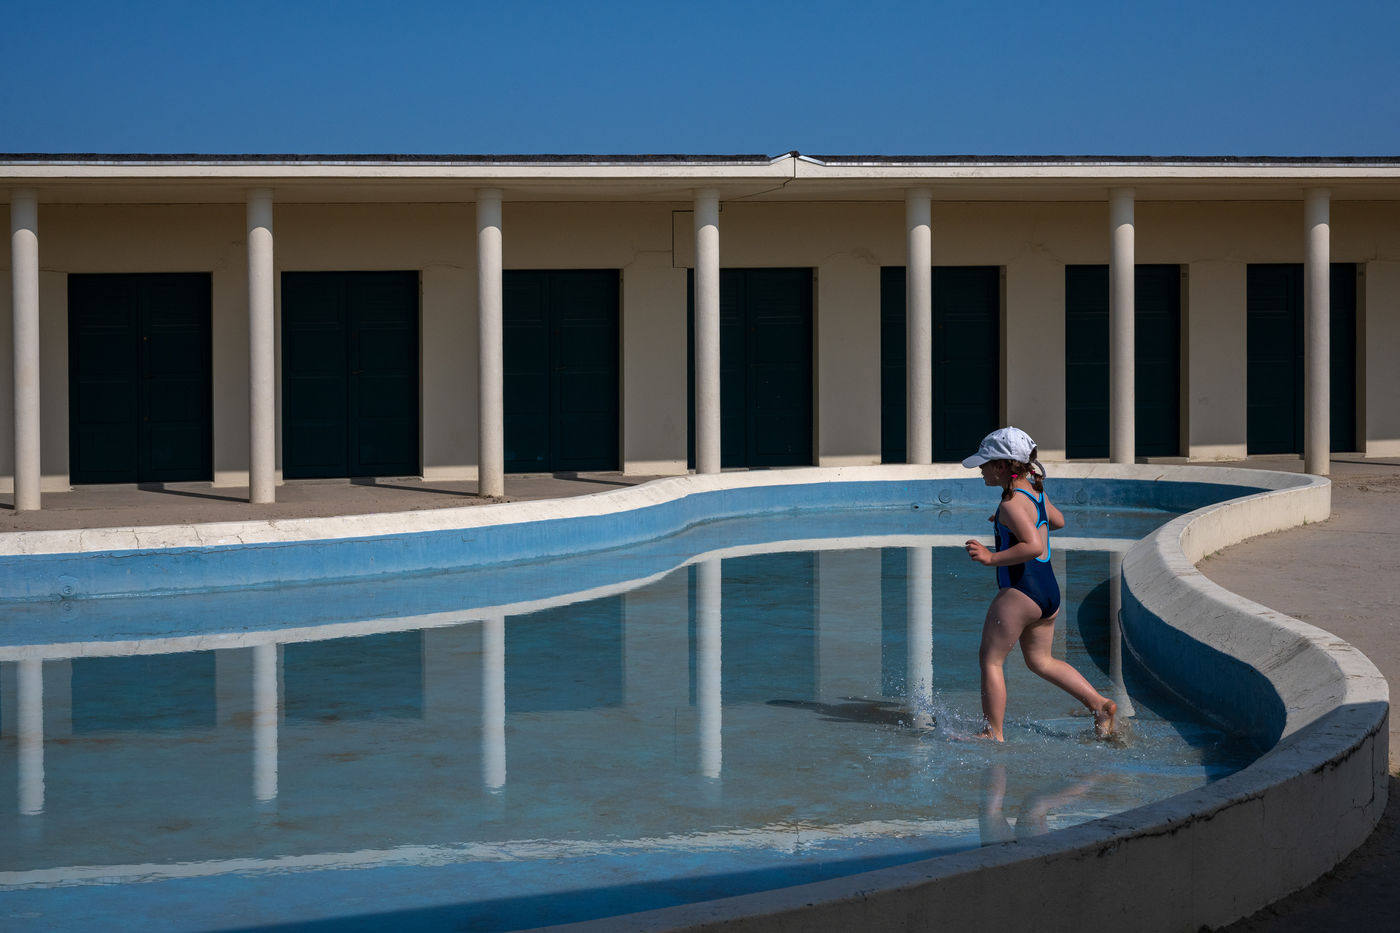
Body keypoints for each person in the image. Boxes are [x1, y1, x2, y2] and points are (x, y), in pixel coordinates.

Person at [961, 426, 1117, 742]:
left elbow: (1032, 545)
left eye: (985, 464)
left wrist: (991, 557)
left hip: (1021, 592)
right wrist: (1011, 522)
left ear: (1001, 466)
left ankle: (993, 732)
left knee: (990, 660)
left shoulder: (1010, 504)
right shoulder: (1035, 492)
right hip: (1047, 592)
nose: (981, 470)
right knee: (1041, 661)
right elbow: (1057, 521)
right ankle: (1099, 705)